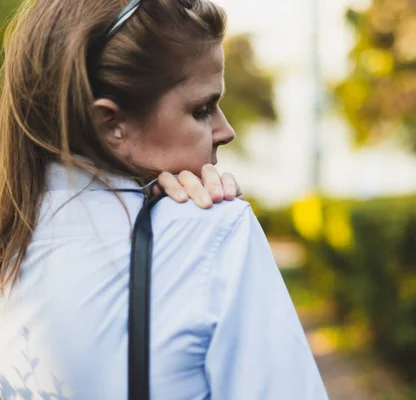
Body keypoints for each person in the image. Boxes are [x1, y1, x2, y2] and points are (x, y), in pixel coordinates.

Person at [0, 0, 329, 399]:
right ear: (112, 125)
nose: (226, 131)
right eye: (202, 109)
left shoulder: (14, 247)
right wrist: (208, 223)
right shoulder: (213, 232)